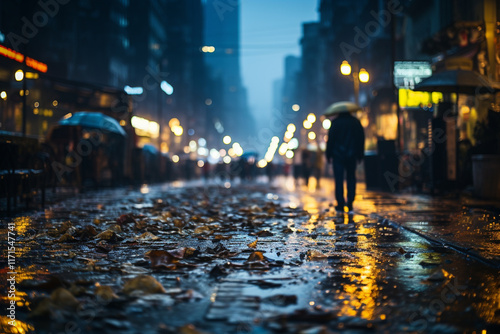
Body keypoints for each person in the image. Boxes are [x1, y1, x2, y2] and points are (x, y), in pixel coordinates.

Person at [326, 111, 365, 212]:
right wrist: (360, 154)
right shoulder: (355, 122)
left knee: (339, 179)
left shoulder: (335, 123)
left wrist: (328, 154)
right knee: (351, 178)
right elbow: (361, 139)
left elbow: (330, 140)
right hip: (352, 155)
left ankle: (340, 203)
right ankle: (350, 202)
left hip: (338, 155)